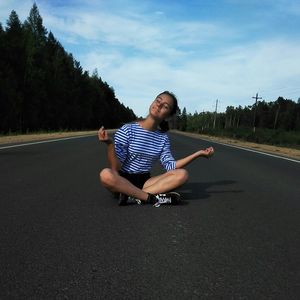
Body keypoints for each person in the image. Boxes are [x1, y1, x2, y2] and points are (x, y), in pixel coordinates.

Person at [98, 91, 214, 206]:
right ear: (153, 102)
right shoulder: (127, 130)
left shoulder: (162, 138)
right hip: (122, 180)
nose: (159, 105)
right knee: (106, 175)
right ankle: (150, 198)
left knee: (182, 174)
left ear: (167, 116)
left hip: (145, 182)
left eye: (165, 106)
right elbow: (116, 167)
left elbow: (170, 166)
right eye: (158, 100)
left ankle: (132, 196)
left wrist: (198, 154)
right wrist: (110, 144)